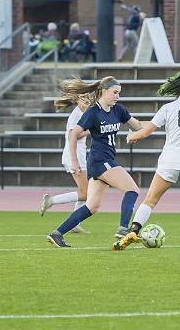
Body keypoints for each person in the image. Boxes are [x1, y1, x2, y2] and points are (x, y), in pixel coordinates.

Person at [114, 70, 180, 252]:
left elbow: (146, 131)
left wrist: (132, 137)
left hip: (168, 161)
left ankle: (134, 229)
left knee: (151, 200)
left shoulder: (167, 108)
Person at [46, 76, 144, 248]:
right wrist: (75, 162)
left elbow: (137, 125)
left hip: (105, 161)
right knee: (133, 190)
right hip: (100, 161)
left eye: (119, 93)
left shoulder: (118, 110)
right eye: (115, 93)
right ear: (104, 91)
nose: (117, 96)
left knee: (92, 206)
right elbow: (73, 134)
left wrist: (159, 123)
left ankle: (57, 233)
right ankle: (123, 230)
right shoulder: (93, 112)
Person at [38, 92, 95, 234]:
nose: (87, 100)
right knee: (87, 194)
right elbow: (72, 136)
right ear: (77, 100)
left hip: (78, 155)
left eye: (89, 98)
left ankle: (74, 222)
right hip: (74, 155)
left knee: (86, 191)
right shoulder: (76, 115)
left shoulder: (83, 113)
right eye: (84, 98)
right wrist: (90, 131)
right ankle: (51, 201)